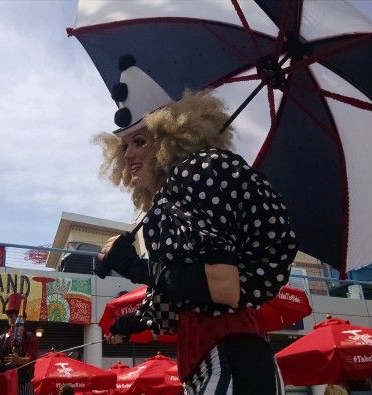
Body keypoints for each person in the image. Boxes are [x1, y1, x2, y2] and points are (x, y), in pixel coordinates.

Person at [93, 55, 298, 394]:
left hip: (232, 360)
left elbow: (223, 287)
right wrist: (136, 319)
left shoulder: (197, 172)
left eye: (140, 141)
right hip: (210, 361)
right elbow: (185, 288)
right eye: (125, 144)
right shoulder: (175, 195)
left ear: (172, 139)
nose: (128, 153)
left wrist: (136, 267)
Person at [0, 293, 39, 395]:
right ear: (8, 318)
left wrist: (19, 360)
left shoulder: (30, 338)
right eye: (11, 315)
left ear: (23, 319)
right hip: (4, 384)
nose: (13, 318)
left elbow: (32, 359)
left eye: (17, 315)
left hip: (23, 385)